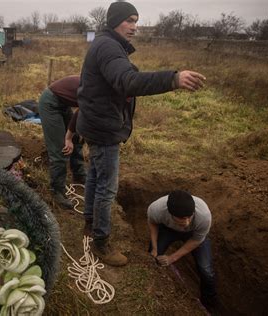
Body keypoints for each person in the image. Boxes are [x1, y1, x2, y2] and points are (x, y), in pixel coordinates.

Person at [77, 1, 206, 266]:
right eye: (130, 21)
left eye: (137, 21)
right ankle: (101, 242)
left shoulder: (105, 44)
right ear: (115, 20)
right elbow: (128, 81)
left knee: (94, 175)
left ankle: (89, 224)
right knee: (106, 188)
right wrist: (173, 79)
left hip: (96, 123)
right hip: (104, 128)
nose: (135, 27)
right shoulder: (109, 47)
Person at [147, 190, 218, 311]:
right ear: (170, 214)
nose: (186, 223)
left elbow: (196, 240)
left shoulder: (204, 216)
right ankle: (153, 287)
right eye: (181, 219)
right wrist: (154, 248)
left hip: (193, 235)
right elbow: (152, 223)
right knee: (152, 258)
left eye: (189, 217)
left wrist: (171, 258)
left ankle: (209, 303)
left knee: (206, 271)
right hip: (168, 229)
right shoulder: (157, 209)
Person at [38, 75, 87, 209]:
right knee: (60, 149)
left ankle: (79, 174)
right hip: (50, 103)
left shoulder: (101, 87)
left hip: (63, 104)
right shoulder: (95, 89)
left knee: (76, 138)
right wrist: (68, 138)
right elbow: (81, 113)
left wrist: (75, 134)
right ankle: (57, 191)